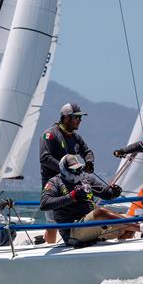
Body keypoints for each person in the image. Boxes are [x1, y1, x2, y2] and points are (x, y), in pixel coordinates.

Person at [40, 154, 138, 247]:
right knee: (100, 212)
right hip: (72, 230)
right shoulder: (55, 182)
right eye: (74, 170)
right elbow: (44, 204)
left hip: (93, 225)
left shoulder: (86, 179)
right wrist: (72, 196)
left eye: (79, 168)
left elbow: (106, 194)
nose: (78, 172)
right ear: (64, 170)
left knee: (130, 220)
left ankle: (117, 258)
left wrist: (114, 192)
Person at [38, 102, 95, 244]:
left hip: (73, 184)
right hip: (54, 185)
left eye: (80, 118)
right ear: (66, 118)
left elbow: (87, 152)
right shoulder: (50, 135)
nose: (80, 121)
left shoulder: (75, 137)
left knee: (82, 214)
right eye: (77, 117)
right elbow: (44, 158)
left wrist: (89, 162)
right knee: (53, 223)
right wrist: (65, 169)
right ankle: (49, 249)